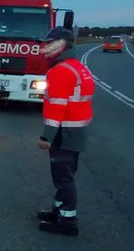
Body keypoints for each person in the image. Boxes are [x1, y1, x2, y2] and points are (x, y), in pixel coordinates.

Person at [36, 27, 94, 236]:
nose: (44, 47)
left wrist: (47, 137)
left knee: (63, 176)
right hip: (76, 130)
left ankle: (67, 221)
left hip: (65, 132)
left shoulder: (60, 70)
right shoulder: (77, 67)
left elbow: (56, 107)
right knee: (65, 174)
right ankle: (59, 211)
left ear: (61, 45)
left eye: (49, 43)